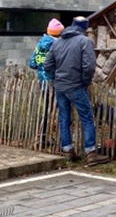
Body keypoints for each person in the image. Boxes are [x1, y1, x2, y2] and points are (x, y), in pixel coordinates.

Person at [43, 16, 109, 166]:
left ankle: (68, 151)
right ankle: (91, 152)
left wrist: (55, 78)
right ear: (84, 28)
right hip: (76, 86)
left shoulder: (57, 42)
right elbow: (90, 66)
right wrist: (84, 82)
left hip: (60, 87)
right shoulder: (85, 42)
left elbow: (47, 65)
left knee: (64, 118)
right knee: (86, 118)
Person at [28, 18, 63, 147]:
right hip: (55, 81)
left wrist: (41, 68)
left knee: (47, 110)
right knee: (61, 110)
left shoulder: (39, 45)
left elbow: (32, 64)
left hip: (42, 82)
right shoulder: (57, 45)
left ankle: (41, 138)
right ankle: (62, 140)